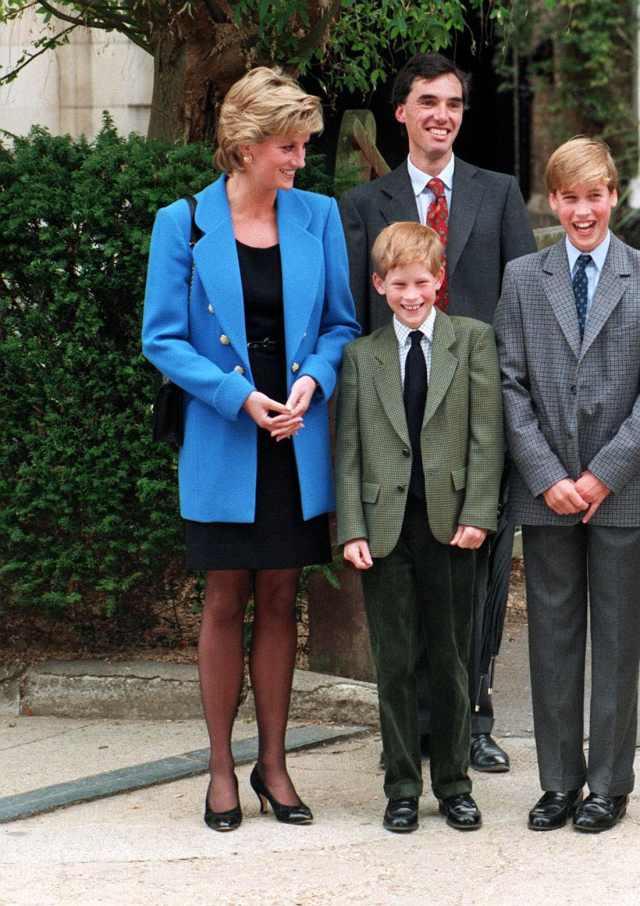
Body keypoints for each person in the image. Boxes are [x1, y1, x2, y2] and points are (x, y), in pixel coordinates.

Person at [142, 67, 360, 832]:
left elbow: (340, 324)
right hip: (225, 433)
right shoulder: (183, 223)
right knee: (225, 598)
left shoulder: (320, 216)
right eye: (288, 147)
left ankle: (274, 763)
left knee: (280, 598)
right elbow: (161, 338)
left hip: (296, 436)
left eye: (303, 146)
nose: (300, 161)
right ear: (243, 146)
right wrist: (239, 397)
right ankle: (220, 768)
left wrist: (314, 383)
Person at [340, 52, 536, 773]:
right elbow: (358, 318)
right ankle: (417, 727)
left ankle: (472, 720)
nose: (441, 116)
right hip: (398, 419)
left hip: (477, 421)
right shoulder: (364, 205)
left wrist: (517, 416)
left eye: (453, 103)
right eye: (427, 102)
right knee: (407, 580)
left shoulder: (499, 192)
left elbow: (523, 306)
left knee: (478, 581)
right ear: (401, 113)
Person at [495, 137, 640, 833]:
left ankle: (608, 782)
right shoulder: (523, 278)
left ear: (614, 196)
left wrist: (603, 474)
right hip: (546, 493)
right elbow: (508, 385)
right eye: (570, 198)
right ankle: (557, 783)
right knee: (551, 637)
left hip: (621, 489)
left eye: (595, 196)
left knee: (616, 637)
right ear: (553, 201)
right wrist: (549, 477)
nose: (583, 210)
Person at [336, 221, 504, 833]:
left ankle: (455, 783)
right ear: (380, 285)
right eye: (399, 283)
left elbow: (488, 436)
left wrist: (479, 514)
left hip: (452, 526)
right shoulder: (361, 356)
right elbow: (348, 448)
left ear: (441, 280)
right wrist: (350, 527)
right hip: (384, 531)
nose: (412, 295)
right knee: (396, 660)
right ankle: (401, 785)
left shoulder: (473, 342)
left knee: (453, 659)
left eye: (422, 282)